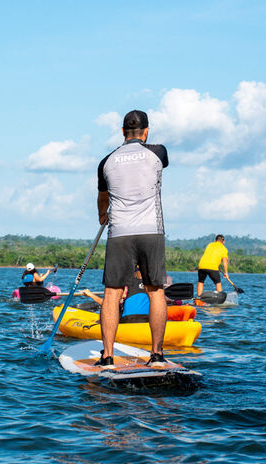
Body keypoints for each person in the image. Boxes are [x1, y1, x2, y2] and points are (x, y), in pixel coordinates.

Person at [96, 109, 169, 369]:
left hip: (119, 232)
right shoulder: (158, 152)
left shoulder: (106, 160)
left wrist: (102, 214)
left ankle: (107, 356)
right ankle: (157, 355)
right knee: (155, 291)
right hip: (151, 230)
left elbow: (103, 198)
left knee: (112, 293)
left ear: (122, 131)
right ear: (146, 131)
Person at [80, 266, 150, 322]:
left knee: (110, 308)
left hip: (128, 319)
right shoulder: (151, 285)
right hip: (147, 320)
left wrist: (90, 294)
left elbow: (108, 304)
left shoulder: (126, 285)